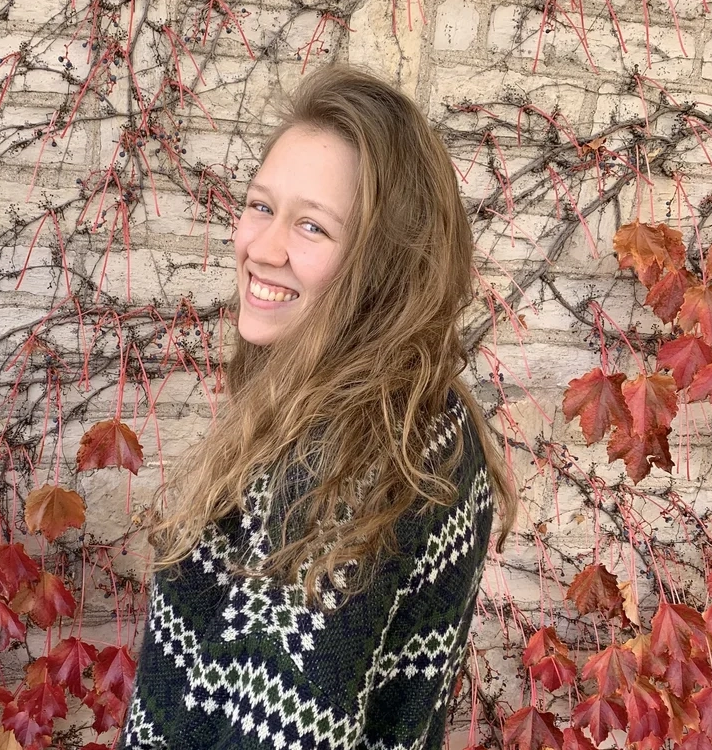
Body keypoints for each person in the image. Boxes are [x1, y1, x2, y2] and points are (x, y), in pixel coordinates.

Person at [117, 65, 518, 749]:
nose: (263, 248)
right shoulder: (427, 422)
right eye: (261, 206)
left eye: (312, 227)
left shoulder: (343, 462)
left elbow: (277, 727)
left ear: (384, 263)